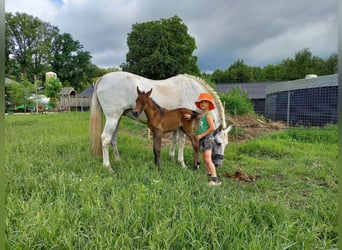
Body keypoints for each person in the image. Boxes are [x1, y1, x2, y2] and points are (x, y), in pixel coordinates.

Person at [185, 93, 221, 186]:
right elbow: (197, 117)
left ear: (209, 104)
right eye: (201, 102)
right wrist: (190, 117)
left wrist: (201, 135)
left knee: (208, 159)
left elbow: (212, 128)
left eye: (205, 102)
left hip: (207, 139)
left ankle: (215, 179)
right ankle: (209, 174)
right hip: (203, 139)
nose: (202, 104)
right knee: (205, 159)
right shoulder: (202, 114)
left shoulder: (208, 115)